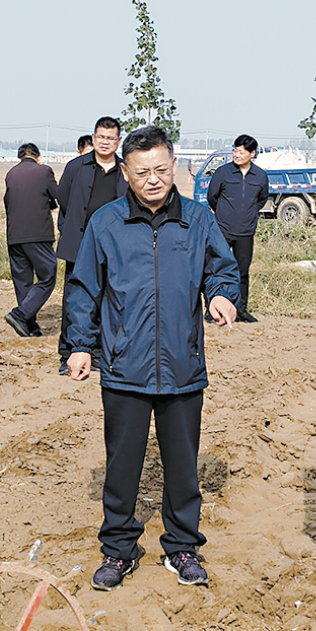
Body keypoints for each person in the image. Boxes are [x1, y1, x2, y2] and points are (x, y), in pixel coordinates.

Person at [64, 125, 241, 590]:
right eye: (142, 172)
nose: (154, 179)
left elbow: (222, 268)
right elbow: (83, 288)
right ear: (125, 173)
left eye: (162, 169)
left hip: (182, 367)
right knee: (122, 466)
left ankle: (182, 547)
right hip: (124, 367)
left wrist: (222, 295)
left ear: (175, 166)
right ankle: (119, 550)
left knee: (183, 467)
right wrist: (80, 344)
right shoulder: (106, 223)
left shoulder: (198, 220)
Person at [55, 118, 124, 374]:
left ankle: (96, 355)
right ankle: (68, 355)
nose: (105, 142)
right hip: (80, 246)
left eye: (110, 138)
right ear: (94, 138)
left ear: (118, 142)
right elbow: (63, 198)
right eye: (101, 137)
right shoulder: (76, 167)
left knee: (107, 301)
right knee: (74, 300)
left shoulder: (125, 171)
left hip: (113, 248)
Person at [205, 135, 270, 321]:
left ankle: (241, 310)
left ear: (252, 154)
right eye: (235, 150)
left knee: (242, 272)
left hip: (246, 232)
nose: (237, 154)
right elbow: (212, 197)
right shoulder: (223, 173)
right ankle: (213, 310)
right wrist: (225, 214)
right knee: (217, 270)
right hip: (223, 230)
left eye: (241, 151)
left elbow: (261, 199)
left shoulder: (260, 176)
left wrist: (248, 215)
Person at [2, 143, 58, 338]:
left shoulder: (11, 173)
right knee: (48, 274)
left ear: (19, 158)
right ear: (38, 156)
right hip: (38, 233)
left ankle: (30, 328)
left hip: (14, 235)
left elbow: (7, 201)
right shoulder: (44, 171)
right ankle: (20, 314)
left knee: (22, 281)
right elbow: (56, 194)